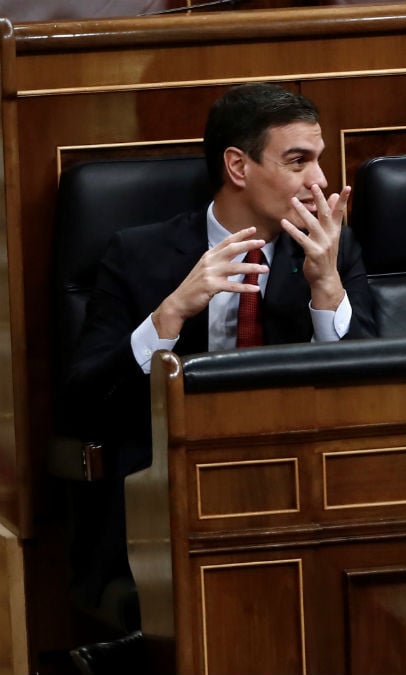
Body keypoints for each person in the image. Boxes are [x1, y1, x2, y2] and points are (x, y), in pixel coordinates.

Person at [64, 82, 377, 674]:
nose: (319, 180)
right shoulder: (138, 256)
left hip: (299, 491)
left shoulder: (333, 253)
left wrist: (326, 289)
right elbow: (81, 406)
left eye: (319, 159)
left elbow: (373, 396)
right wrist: (169, 314)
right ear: (238, 165)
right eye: (297, 160)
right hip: (168, 498)